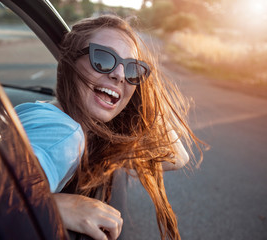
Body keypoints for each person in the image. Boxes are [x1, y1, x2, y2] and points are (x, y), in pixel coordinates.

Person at [15, 14, 203, 240]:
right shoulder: (64, 132)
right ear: (69, 62)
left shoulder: (43, 113)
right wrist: (51, 205)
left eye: (133, 70)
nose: (119, 75)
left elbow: (175, 157)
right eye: (103, 59)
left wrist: (143, 91)